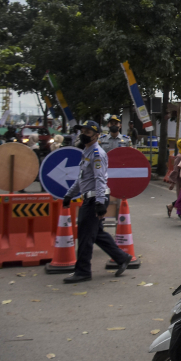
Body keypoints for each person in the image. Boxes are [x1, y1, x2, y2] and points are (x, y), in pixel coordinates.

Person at [60, 120, 132, 283]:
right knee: (97, 234)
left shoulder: (97, 154)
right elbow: (82, 179)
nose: (83, 135)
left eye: (87, 132)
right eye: (82, 131)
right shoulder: (86, 151)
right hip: (92, 197)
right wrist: (69, 195)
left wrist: (100, 203)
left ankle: (83, 271)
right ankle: (122, 258)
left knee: (85, 235)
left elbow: (100, 179)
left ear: (96, 135)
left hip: (94, 199)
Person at [166, 139, 181, 216]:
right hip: (180, 179)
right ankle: (180, 212)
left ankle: (171, 206)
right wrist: (172, 182)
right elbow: (175, 170)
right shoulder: (179, 156)